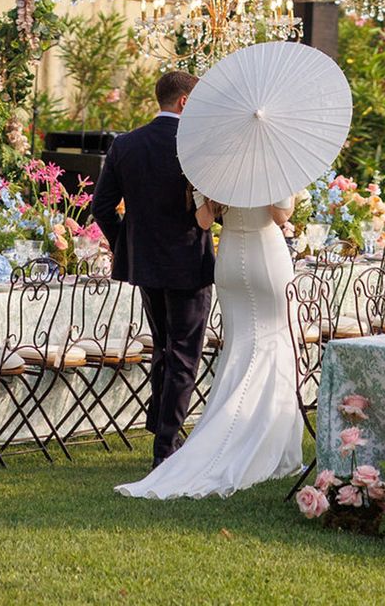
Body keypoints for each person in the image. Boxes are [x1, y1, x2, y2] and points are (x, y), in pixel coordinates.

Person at [115, 190, 303, 499]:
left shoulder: (212, 166)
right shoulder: (271, 165)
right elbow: (281, 216)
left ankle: (238, 431)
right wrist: (287, 188)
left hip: (228, 260)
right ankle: (264, 440)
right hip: (266, 258)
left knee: (240, 350)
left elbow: (203, 222)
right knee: (274, 343)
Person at [92, 71, 215, 468]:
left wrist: (128, 242)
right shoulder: (196, 146)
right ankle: (165, 446)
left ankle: (159, 421)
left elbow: (101, 207)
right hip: (187, 264)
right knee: (184, 354)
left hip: (145, 264)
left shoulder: (126, 144)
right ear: (183, 103)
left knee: (164, 345)